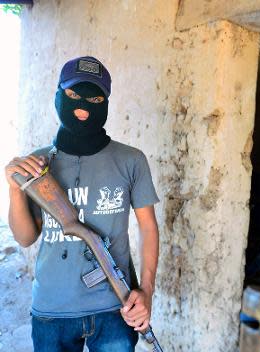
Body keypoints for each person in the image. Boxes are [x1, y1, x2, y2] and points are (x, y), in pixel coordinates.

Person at [5, 56, 160, 351]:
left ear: (106, 103)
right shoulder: (38, 164)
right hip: (51, 309)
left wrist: (147, 291)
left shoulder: (131, 160)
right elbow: (25, 238)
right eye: (73, 95)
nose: (81, 105)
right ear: (58, 96)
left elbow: (148, 227)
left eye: (94, 97)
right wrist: (14, 189)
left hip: (115, 307)